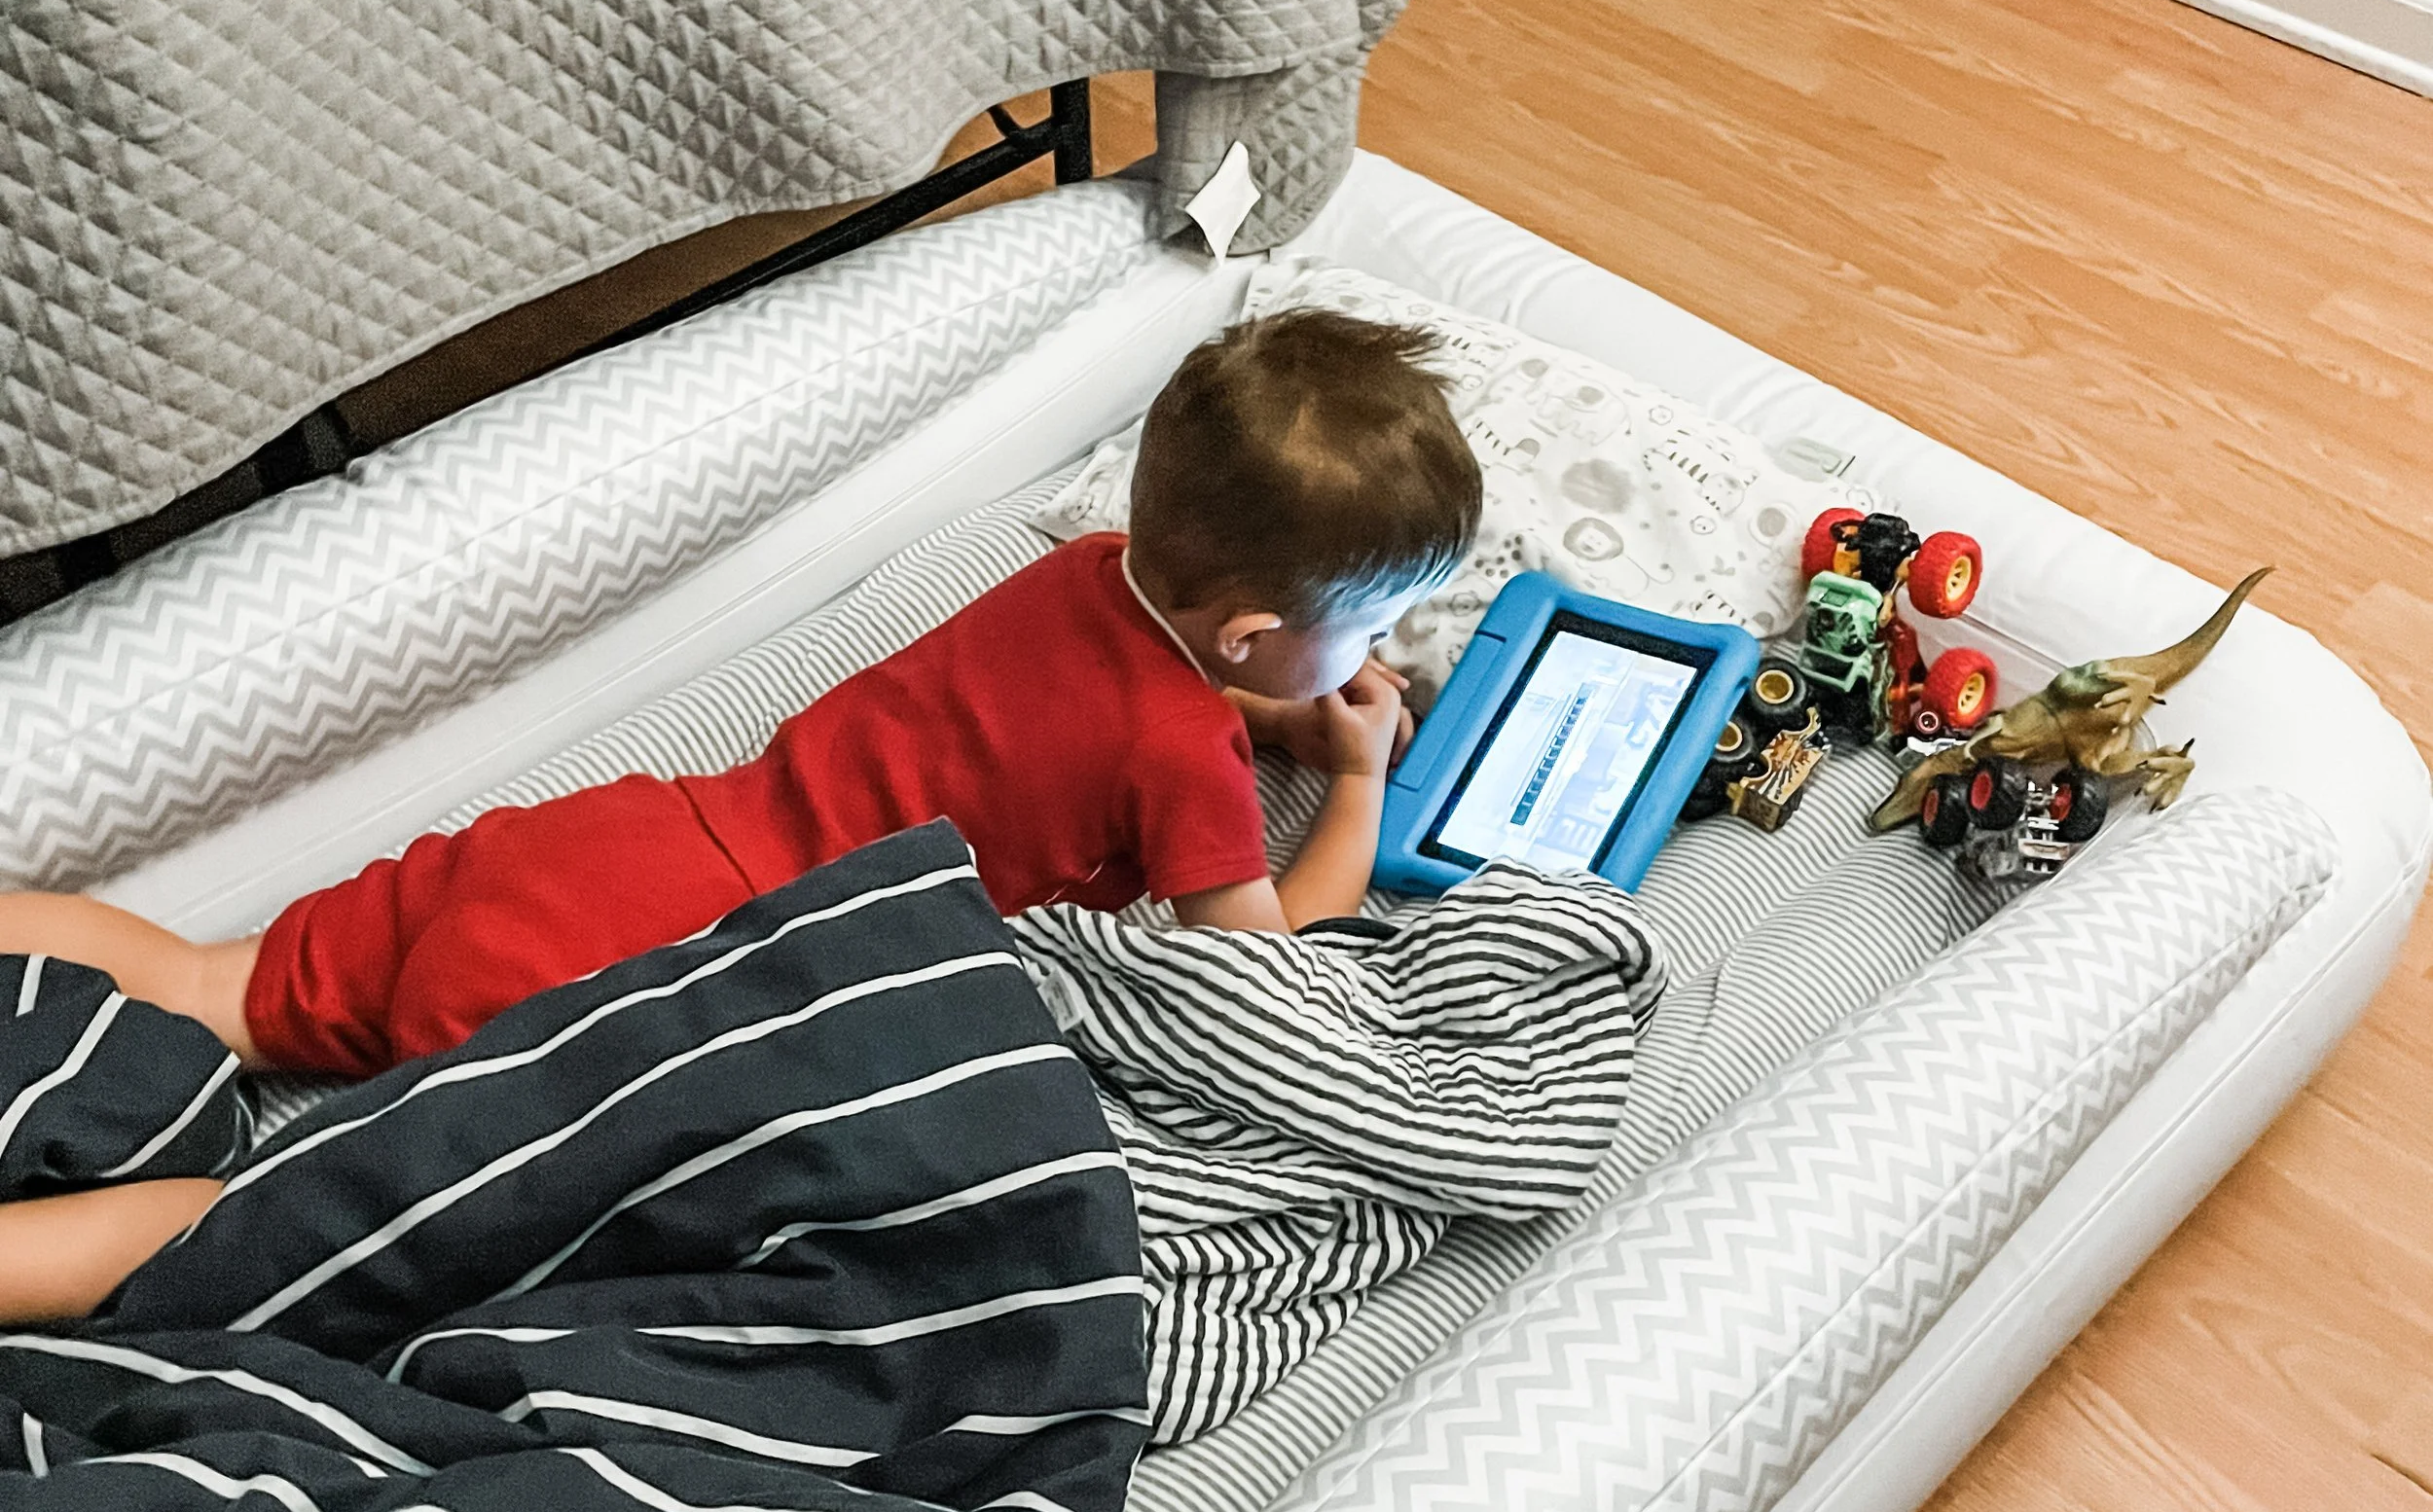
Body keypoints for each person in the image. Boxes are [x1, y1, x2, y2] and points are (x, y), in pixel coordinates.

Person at [0, 307, 1481, 1322]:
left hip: (611, 846)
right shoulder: (1188, 762)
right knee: (275, 1210)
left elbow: (1114, 703)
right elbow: (1257, 949)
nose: (1380, 659)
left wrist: (1287, 707)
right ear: (1244, 635)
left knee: (209, 980)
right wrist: (1348, 782)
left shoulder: (1086, 568)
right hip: (672, 976)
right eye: (1372, 629)